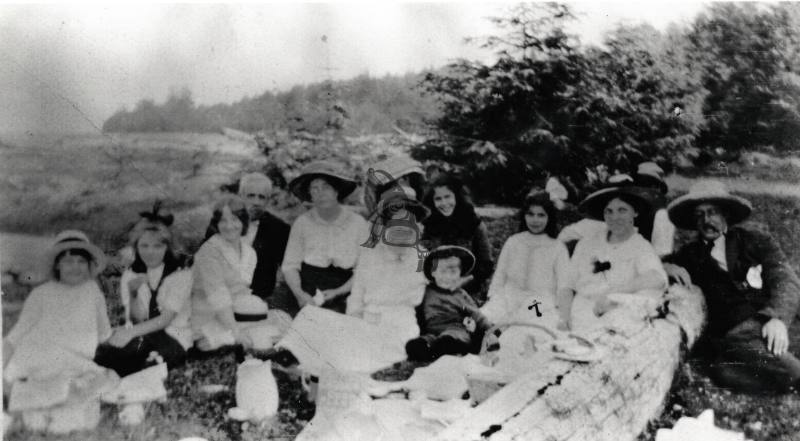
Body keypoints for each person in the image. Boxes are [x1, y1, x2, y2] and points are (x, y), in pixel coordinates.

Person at [664, 180, 800, 393]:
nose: (706, 220)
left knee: (730, 372)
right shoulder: (690, 255)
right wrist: (666, 267)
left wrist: (776, 318)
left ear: (726, 214)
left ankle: (742, 368)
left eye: (712, 212)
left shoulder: (754, 240)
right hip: (733, 332)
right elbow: (654, 263)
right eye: (699, 215)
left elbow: (785, 279)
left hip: (763, 321)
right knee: (787, 371)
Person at [4, 231, 112, 394]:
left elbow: (104, 333)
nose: (75, 267)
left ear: (89, 264)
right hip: (41, 354)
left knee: (102, 381)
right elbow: (18, 333)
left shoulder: (93, 290)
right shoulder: (41, 293)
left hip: (78, 360)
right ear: (57, 265)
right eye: (68, 261)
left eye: (81, 261)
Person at [94, 204, 192, 377]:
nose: (150, 252)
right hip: (144, 332)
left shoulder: (180, 274)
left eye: (157, 246)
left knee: (144, 364)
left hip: (174, 334)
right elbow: (137, 319)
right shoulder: (131, 274)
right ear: (136, 247)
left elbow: (165, 319)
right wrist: (133, 293)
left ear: (167, 247)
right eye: (144, 246)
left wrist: (129, 333)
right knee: (106, 355)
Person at [561, 182, 668, 333]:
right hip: (579, 310)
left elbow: (656, 277)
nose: (614, 217)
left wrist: (615, 294)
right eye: (608, 211)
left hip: (614, 313)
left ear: (635, 213)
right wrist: (564, 317)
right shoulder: (587, 243)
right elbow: (567, 284)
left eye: (622, 210)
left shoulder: (640, 246)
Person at [278, 160, 368, 316]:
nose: (321, 193)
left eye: (326, 187)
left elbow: (365, 268)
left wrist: (339, 292)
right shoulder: (302, 223)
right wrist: (300, 294)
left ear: (336, 191)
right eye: (315, 188)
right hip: (308, 290)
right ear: (310, 195)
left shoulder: (357, 223)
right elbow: (290, 266)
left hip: (347, 290)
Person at [347, 194, 430, 346]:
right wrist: (354, 323)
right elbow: (356, 297)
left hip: (403, 324)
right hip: (368, 320)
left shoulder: (423, 258)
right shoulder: (369, 256)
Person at [481, 189, 570, 329]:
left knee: (528, 328)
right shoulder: (513, 241)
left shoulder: (557, 247)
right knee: (482, 323)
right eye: (530, 214)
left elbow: (564, 286)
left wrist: (564, 317)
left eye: (541, 215)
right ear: (524, 216)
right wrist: (493, 300)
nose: (535, 220)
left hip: (538, 302)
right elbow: (500, 274)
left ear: (549, 218)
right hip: (508, 297)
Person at [191, 195, 263, 351]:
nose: (229, 226)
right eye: (223, 220)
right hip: (207, 317)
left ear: (243, 222)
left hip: (236, 315)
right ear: (216, 224)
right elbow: (218, 297)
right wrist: (236, 331)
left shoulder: (249, 253)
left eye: (235, 219)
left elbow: (242, 291)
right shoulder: (209, 251)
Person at [406, 246, 493, 362]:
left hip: (456, 329)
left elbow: (477, 315)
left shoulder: (460, 294)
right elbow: (415, 308)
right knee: (422, 343)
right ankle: (426, 349)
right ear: (433, 273)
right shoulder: (426, 292)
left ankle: (448, 350)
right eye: (442, 271)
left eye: (453, 272)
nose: (447, 277)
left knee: (450, 339)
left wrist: (491, 329)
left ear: (460, 273)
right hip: (433, 331)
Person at [420, 175, 494, 301]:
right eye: (438, 199)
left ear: (457, 197)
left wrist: (463, 281)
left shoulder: (475, 225)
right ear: (432, 202)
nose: (444, 203)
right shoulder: (426, 227)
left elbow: (486, 265)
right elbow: (422, 264)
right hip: (434, 289)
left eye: (448, 196)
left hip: (468, 289)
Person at [237, 172, 290, 302]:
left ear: (268, 200)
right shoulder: (222, 221)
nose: (256, 202)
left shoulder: (279, 229)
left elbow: (289, 268)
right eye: (251, 196)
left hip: (259, 298)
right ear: (240, 196)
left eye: (262, 197)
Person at [633, 162, 676, 257]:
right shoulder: (633, 209)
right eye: (640, 184)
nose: (643, 190)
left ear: (658, 189)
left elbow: (661, 254)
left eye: (650, 185)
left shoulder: (661, 216)